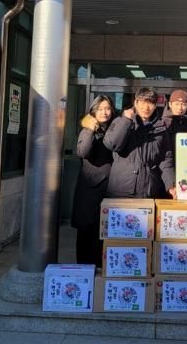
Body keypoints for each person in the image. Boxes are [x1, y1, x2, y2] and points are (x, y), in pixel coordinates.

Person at [104, 87, 176, 199]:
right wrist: (126, 121)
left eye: (150, 103)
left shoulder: (160, 128)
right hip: (121, 191)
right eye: (142, 102)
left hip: (148, 191)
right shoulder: (120, 121)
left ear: (155, 106)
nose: (146, 107)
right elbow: (112, 144)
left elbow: (166, 160)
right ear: (136, 102)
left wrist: (171, 184)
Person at [71, 95, 114, 266]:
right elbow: (83, 152)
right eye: (100, 109)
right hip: (89, 190)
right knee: (86, 233)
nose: (104, 112)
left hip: (109, 189)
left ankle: (101, 270)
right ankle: (84, 271)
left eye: (108, 108)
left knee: (104, 233)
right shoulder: (87, 130)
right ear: (93, 111)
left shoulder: (114, 130)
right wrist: (89, 129)